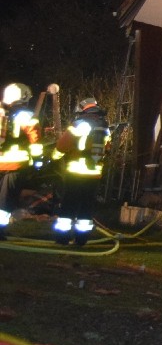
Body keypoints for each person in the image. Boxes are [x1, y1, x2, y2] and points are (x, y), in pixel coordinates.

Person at [51, 97, 110, 245]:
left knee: (69, 205)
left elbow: (63, 145)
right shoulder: (104, 126)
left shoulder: (78, 124)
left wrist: (54, 156)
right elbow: (107, 148)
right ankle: (81, 240)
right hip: (94, 173)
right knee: (86, 208)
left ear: (82, 109)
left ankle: (62, 238)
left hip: (75, 172)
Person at [0, 82, 41, 240]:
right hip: (14, 163)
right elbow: (35, 139)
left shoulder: (2, 112)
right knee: (5, 200)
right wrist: (38, 160)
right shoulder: (26, 115)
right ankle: (0, 231)